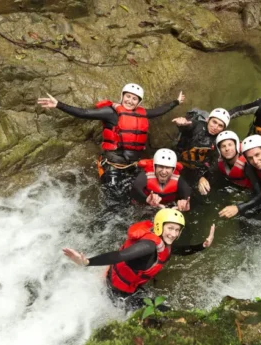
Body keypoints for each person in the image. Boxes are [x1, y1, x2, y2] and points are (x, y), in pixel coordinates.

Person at [63, 209, 215, 310]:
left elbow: (180, 250)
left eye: (177, 230)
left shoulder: (163, 243)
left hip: (121, 284)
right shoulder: (148, 247)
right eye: (170, 228)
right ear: (159, 226)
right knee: (168, 314)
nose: (174, 234)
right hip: (119, 294)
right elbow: (119, 256)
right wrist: (87, 262)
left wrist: (202, 245)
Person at [37, 84, 185, 185]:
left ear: (139, 102)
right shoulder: (110, 112)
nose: (130, 101)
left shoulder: (143, 114)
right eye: (128, 96)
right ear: (122, 96)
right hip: (113, 165)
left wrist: (176, 102)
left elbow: (160, 110)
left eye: (134, 99)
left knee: (134, 195)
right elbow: (84, 113)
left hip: (133, 165)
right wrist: (58, 104)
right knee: (113, 200)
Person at [172, 108, 230, 195]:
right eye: (214, 122)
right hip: (179, 159)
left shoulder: (219, 141)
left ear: (223, 129)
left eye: (220, 126)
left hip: (194, 168)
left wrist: (202, 177)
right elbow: (189, 126)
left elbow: (213, 165)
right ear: (208, 120)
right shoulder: (197, 126)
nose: (215, 127)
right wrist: (182, 124)